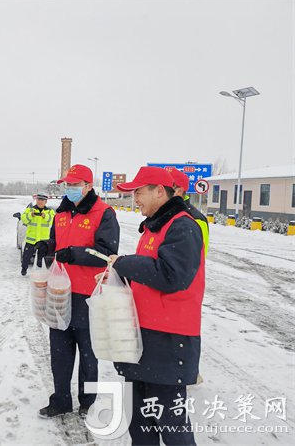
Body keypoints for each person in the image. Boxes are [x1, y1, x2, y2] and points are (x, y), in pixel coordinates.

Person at [106, 166, 205, 445]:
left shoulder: (183, 226)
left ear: (159, 191)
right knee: (140, 424)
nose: (134, 198)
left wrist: (125, 263)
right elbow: (149, 274)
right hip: (145, 337)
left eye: (138, 192)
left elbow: (172, 276)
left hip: (169, 342)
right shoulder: (155, 226)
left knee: (172, 427)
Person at [40, 164, 120, 419]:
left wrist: (73, 254)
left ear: (88, 186)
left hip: (88, 294)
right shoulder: (61, 213)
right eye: (68, 184)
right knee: (59, 352)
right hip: (60, 292)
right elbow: (57, 243)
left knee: (88, 354)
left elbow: (107, 253)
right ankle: (61, 400)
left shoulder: (104, 213)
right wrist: (48, 246)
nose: (70, 188)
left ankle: (87, 401)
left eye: (75, 184)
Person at [168, 168, 209, 255]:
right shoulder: (160, 214)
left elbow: (197, 256)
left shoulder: (196, 219)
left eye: (165, 187)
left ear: (179, 191)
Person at [20, 193, 55, 276]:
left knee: (41, 258)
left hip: (43, 240)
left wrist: (45, 216)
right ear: (36, 200)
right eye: (39, 199)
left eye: (42, 200)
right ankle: (24, 269)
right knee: (26, 257)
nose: (40, 202)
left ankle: (39, 272)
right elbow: (23, 219)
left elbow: (53, 221)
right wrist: (30, 215)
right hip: (31, 239)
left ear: (46, 202)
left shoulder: (50, 211)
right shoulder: (30, 210)